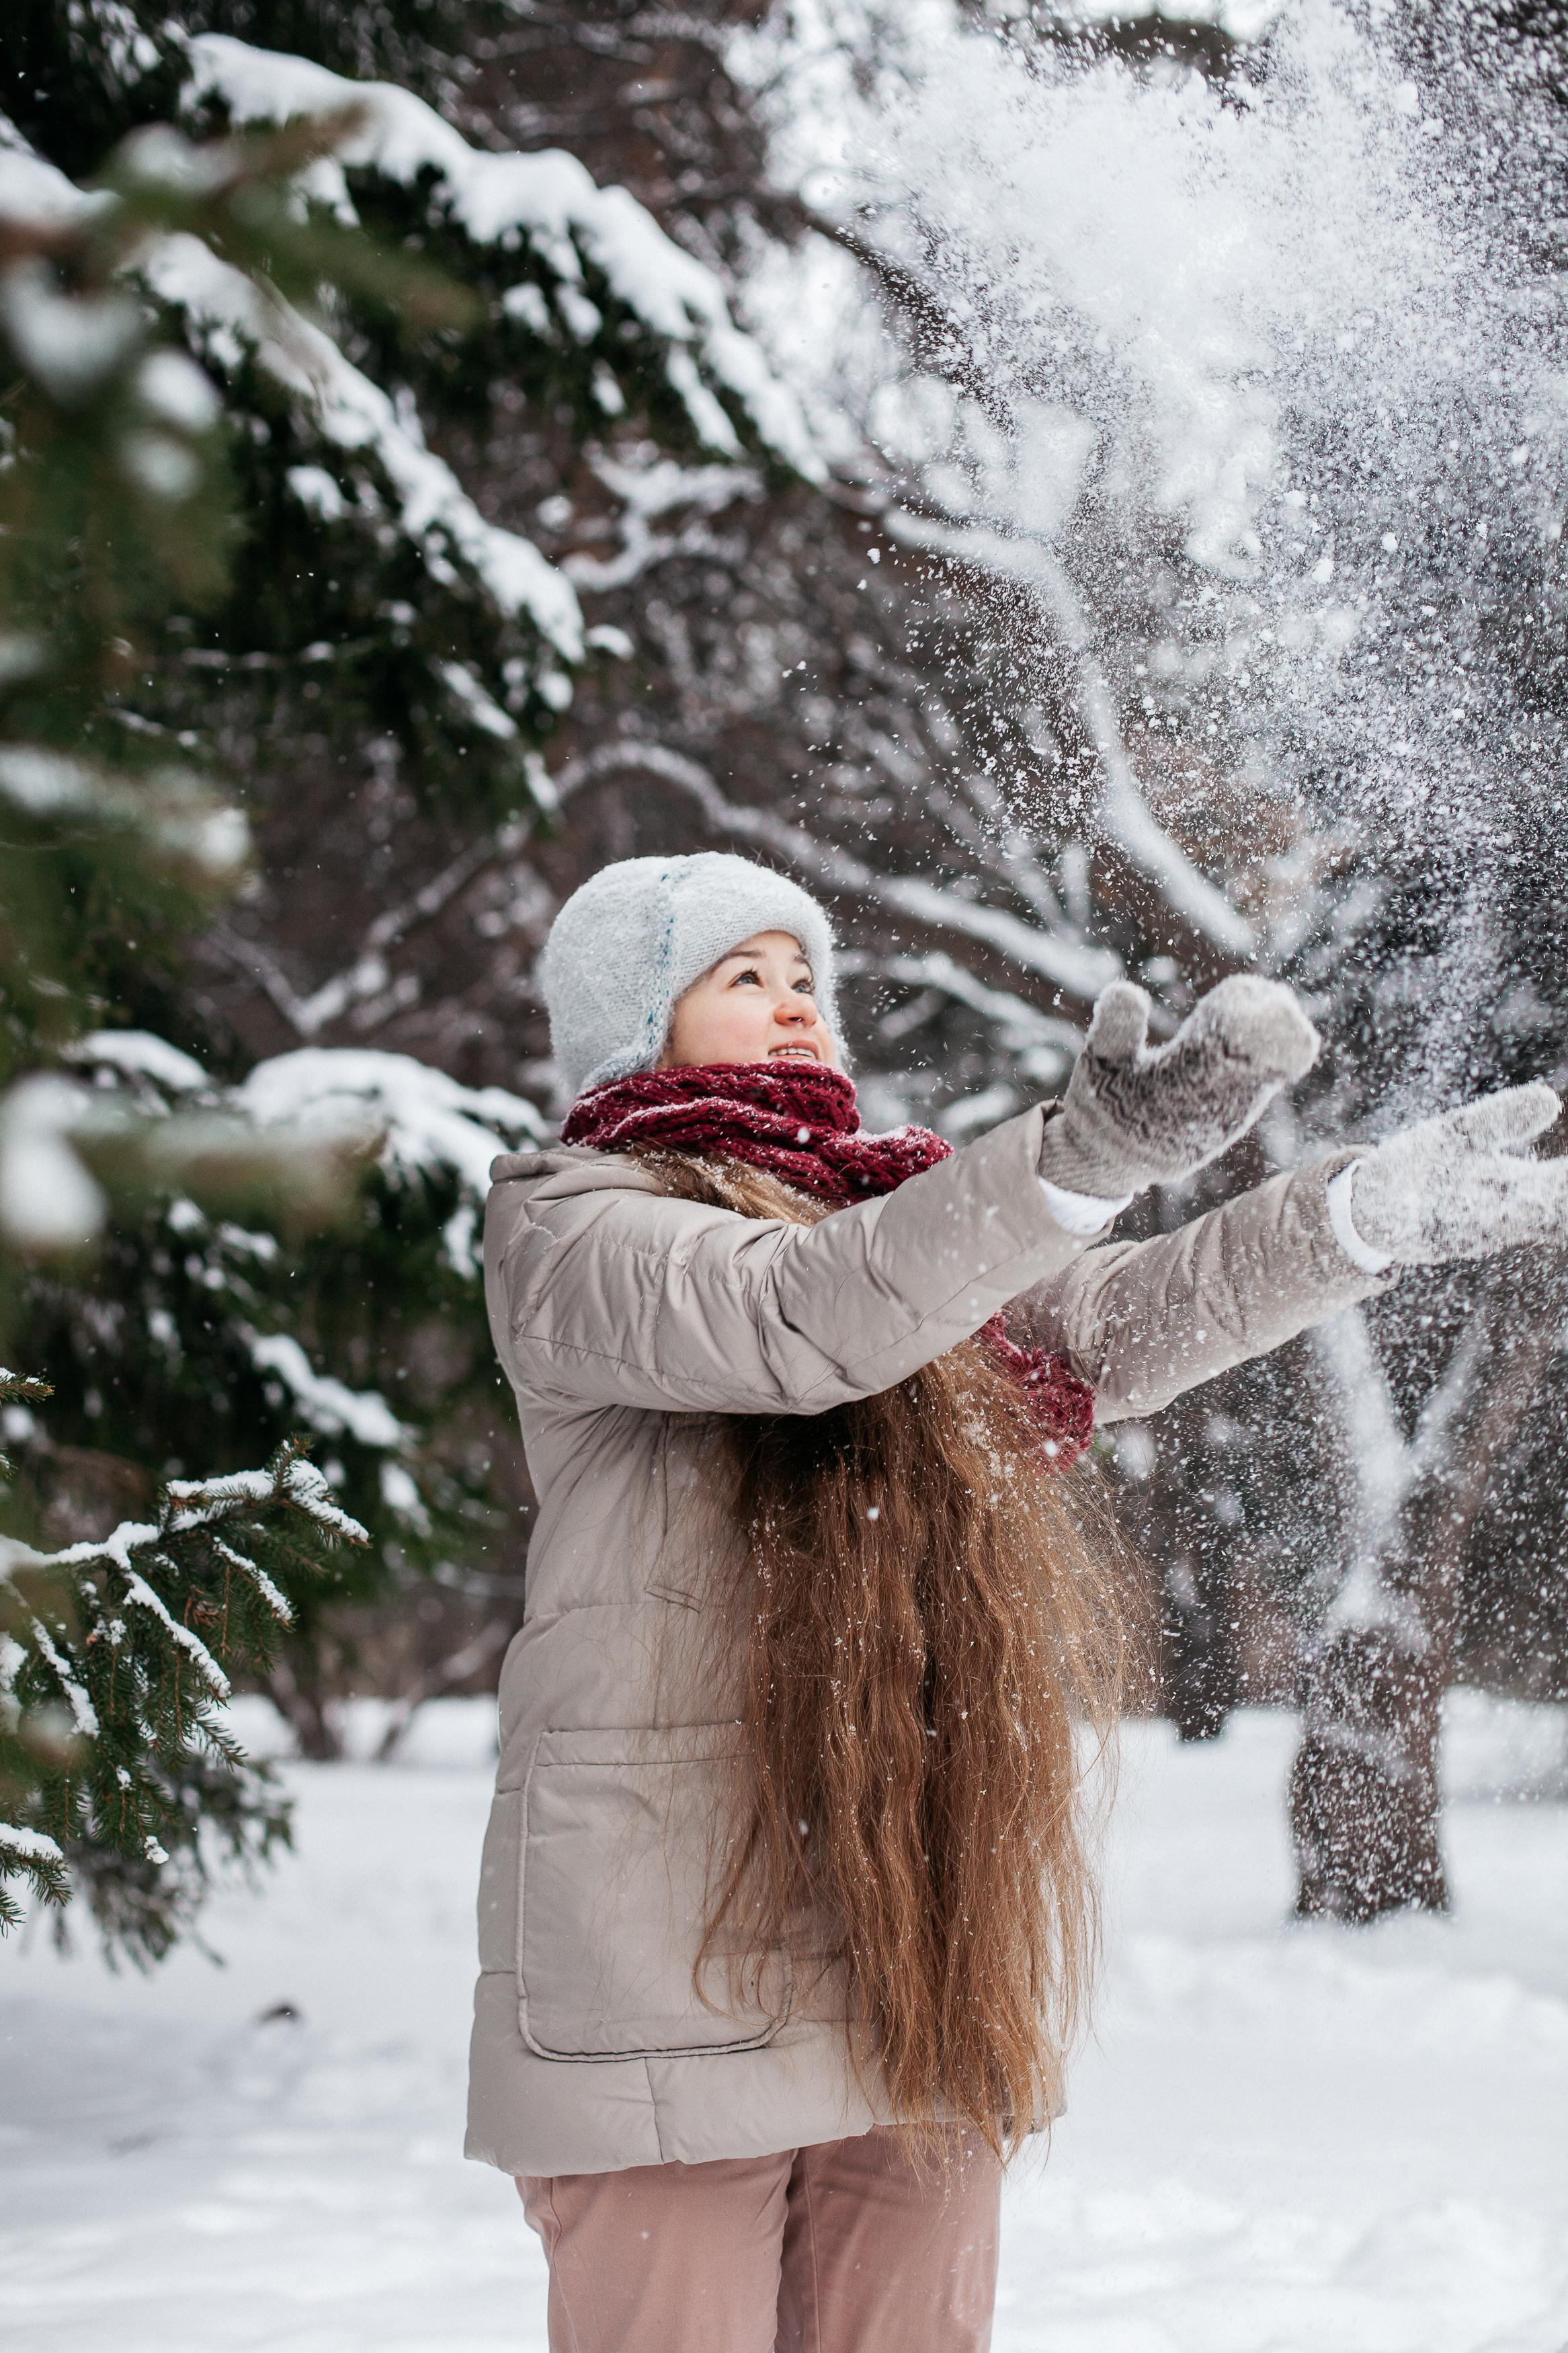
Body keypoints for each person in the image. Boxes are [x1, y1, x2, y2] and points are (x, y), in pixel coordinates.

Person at [466, 852, 1568, 2353]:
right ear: (631, 1024)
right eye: (743, 976)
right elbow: (804, 1321)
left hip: (905, 1916)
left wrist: (1359, 1216)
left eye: (806, 976)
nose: (795, 1004)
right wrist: (1076, 1158)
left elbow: (1111, 1323)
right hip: (667, 1944)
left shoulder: (903, 1225)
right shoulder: (573, 1232)